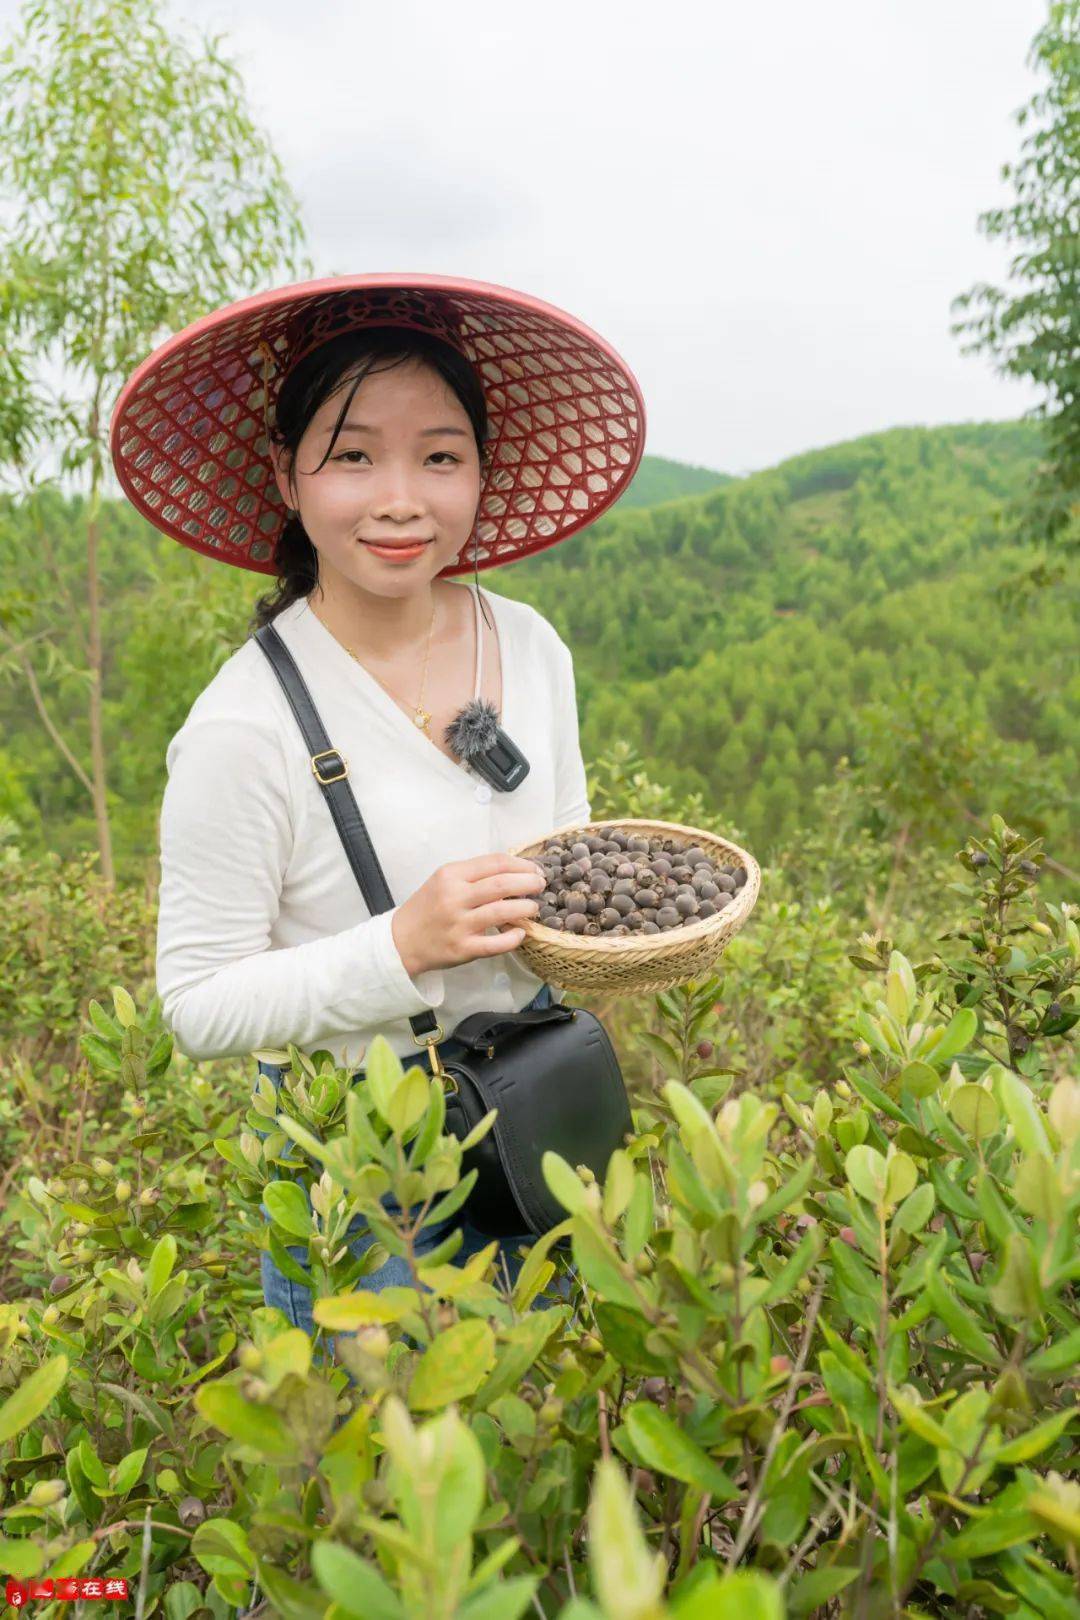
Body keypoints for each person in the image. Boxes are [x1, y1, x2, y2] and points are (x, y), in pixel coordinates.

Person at [109, 273, 646, 1356]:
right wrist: (401, 945)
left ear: (481, 472)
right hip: (370, 1191)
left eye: (440, 456)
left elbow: (566, 845)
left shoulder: (529, 644)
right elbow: (197, 1003)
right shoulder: (246, 724)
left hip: (539, 1129)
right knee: (397, 1510)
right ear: (286, 476)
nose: (401, 497)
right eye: (354, 455)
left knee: (548, 1476)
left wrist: (623, 928)